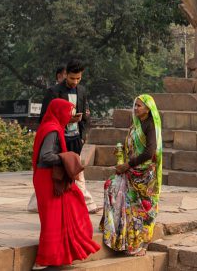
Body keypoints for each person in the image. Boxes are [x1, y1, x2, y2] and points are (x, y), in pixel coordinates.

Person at [31, 98, 100, 269]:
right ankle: (43, 259)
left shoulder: (52, 126)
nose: (71, 115)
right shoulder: (52, 130)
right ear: (59, 112)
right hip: (48, 179)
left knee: (64, 211)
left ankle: (59, 254)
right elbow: (45, 156)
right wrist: (68, 157)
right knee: (52, 220)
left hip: (49, 177)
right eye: (68, 112)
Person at [100, 94, 163, 256]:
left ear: (148, 109)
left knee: (144, 209)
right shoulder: (136, 124)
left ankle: (143, 244)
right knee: (111, 187)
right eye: (135, 105)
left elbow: (150, 152)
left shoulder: (150, 125)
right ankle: (117, 231)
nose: (135, 109)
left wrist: (127, 164)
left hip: (145, 174)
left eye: (139, 106)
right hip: (131, 169)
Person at [41, 58, 97, 211]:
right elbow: (44, 118)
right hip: (59, 138)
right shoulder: (54, 92)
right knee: (58, 173)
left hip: (75, 138)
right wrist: (65, 120)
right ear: (65, 75)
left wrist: (83, 135)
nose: (75, 81)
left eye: (79, 78)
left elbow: (86, 116)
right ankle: (56, 203)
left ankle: (84, 203)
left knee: (76, 170)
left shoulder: (82, 91)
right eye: (72, 78)